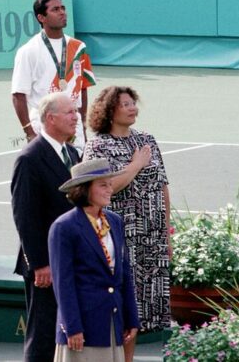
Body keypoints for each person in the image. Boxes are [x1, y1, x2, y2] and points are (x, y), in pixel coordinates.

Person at [82, 86, 171, 361]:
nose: (132, 108)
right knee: (120, 308)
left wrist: (167, 235)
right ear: (110, 111)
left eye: (133, 103)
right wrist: (134, 166)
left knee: (141, 314)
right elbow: (102, 188)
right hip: (120, 238)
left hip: (152, 238)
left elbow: (163, 187)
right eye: (125, 104)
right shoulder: (98, 146)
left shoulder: (147, 140)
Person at [11, 92, 80, 362]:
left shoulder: (72, 153)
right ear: (50, 119)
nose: (76, 117)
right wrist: (40, 263)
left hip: (71, 257)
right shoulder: (29, 158)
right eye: (69, 112)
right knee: (43, 331)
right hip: (46, 264)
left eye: (76, 112)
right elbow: (25, 215)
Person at [49, 158, 140, 362]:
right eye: (103, 185)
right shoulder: (64, 227)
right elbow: (63, 283)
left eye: (109, 184)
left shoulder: (114, 222)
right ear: (84, 190)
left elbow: (124, 273)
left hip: (111, 323)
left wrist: (131, 318)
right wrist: (72, 327)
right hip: (83, 328)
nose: (109, 189)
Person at [11, 0, 95, 154]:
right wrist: (29, 133)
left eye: (63, 8)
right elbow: (18, 95)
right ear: (41, 18)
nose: (62, 12)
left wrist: (83, 125)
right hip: (45, 125)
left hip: (73, 124)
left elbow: (82, 89)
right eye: (55, 9)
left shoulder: (79, 48)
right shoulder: (28, 51)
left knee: (78, 175)